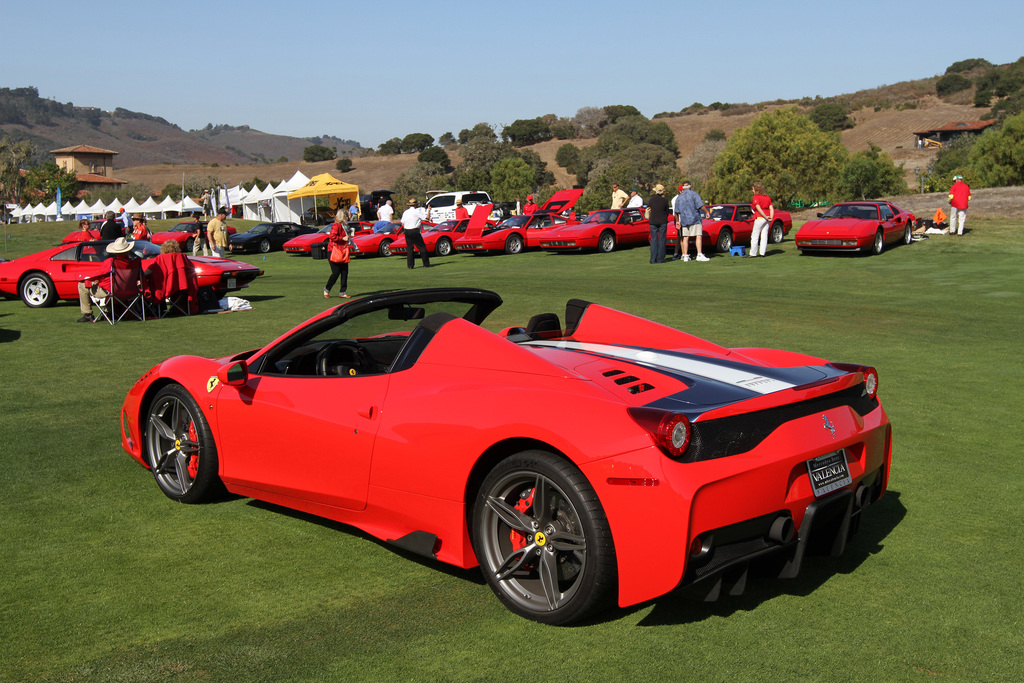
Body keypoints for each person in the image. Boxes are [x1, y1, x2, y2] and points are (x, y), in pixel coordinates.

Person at [76, 237, 136, 322]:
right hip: (131, 292)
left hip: (112, 291)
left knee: (82, 285)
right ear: (128, 250)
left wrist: (88, 281)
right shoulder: (134, 263)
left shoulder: (111, 262)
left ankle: (88, 314)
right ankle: (108, 311)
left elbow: (99, 276)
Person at [672, 180, 709, 261]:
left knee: (685, 237)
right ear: (690, 186)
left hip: (684, 219)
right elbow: (700, 205)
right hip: (695, 218)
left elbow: (676, 211)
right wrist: (706, 211)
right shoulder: (694, 194)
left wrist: (677, 221)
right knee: (698, 236)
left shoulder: (679, 197)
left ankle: (685, 255)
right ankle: (699, 254)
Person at [323, 218, 351, 299]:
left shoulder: (344, 226)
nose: (348, 217)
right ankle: (327, 289)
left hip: (343, 250)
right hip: (334, 251)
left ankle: (343, 292)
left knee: (344, 272)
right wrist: (342, 238)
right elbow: (332, 236)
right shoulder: (336, 225)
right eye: (346, 215)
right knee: (336, 272)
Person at [401, 197, 431, 269]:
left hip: (407, 231)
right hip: (414, 230)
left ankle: (410, 265)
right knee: (422, 247)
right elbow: (427, 219)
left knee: (409, 248)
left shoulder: (405, 212)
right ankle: (426, 264)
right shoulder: (417, 212)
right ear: (415, 205)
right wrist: (429, 210)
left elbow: (402, 223)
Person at [749, 182, 774, 257]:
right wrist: (770, 217)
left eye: (753, 189)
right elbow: (771, 208)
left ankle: (753, 253)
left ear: (756, 189)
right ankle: (762, 253)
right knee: (764, 235)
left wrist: (765, 216)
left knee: (755, 236)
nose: (752, 190)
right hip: (767, 218)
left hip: (760, 217)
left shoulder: (756, 197)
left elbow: (758, 207)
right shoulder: (767, 197)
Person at [647, 184, 670, 264]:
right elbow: (667, 212)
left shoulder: (651, 199)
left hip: (653, 221)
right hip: (662, 221)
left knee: (653, 240)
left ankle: (653, 259)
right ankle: (660, 259)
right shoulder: (665, 201)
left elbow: (648, 208)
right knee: (662, 240)